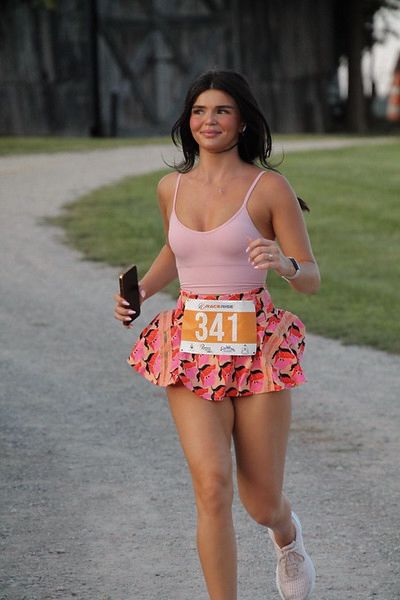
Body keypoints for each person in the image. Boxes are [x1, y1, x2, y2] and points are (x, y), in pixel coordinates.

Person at [114, 70, 320, 600]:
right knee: (211, 488)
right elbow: (177, 252)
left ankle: (286, 534)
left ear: (243, 120)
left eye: (222, 110)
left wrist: (285, 264)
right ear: (188, 121)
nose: (210, 120)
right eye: (200, 111)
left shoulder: (268, 187)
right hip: (191, 344)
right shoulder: (171, 187)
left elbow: (312, 277)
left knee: (259, 500)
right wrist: (139, 293)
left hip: (257, 348)